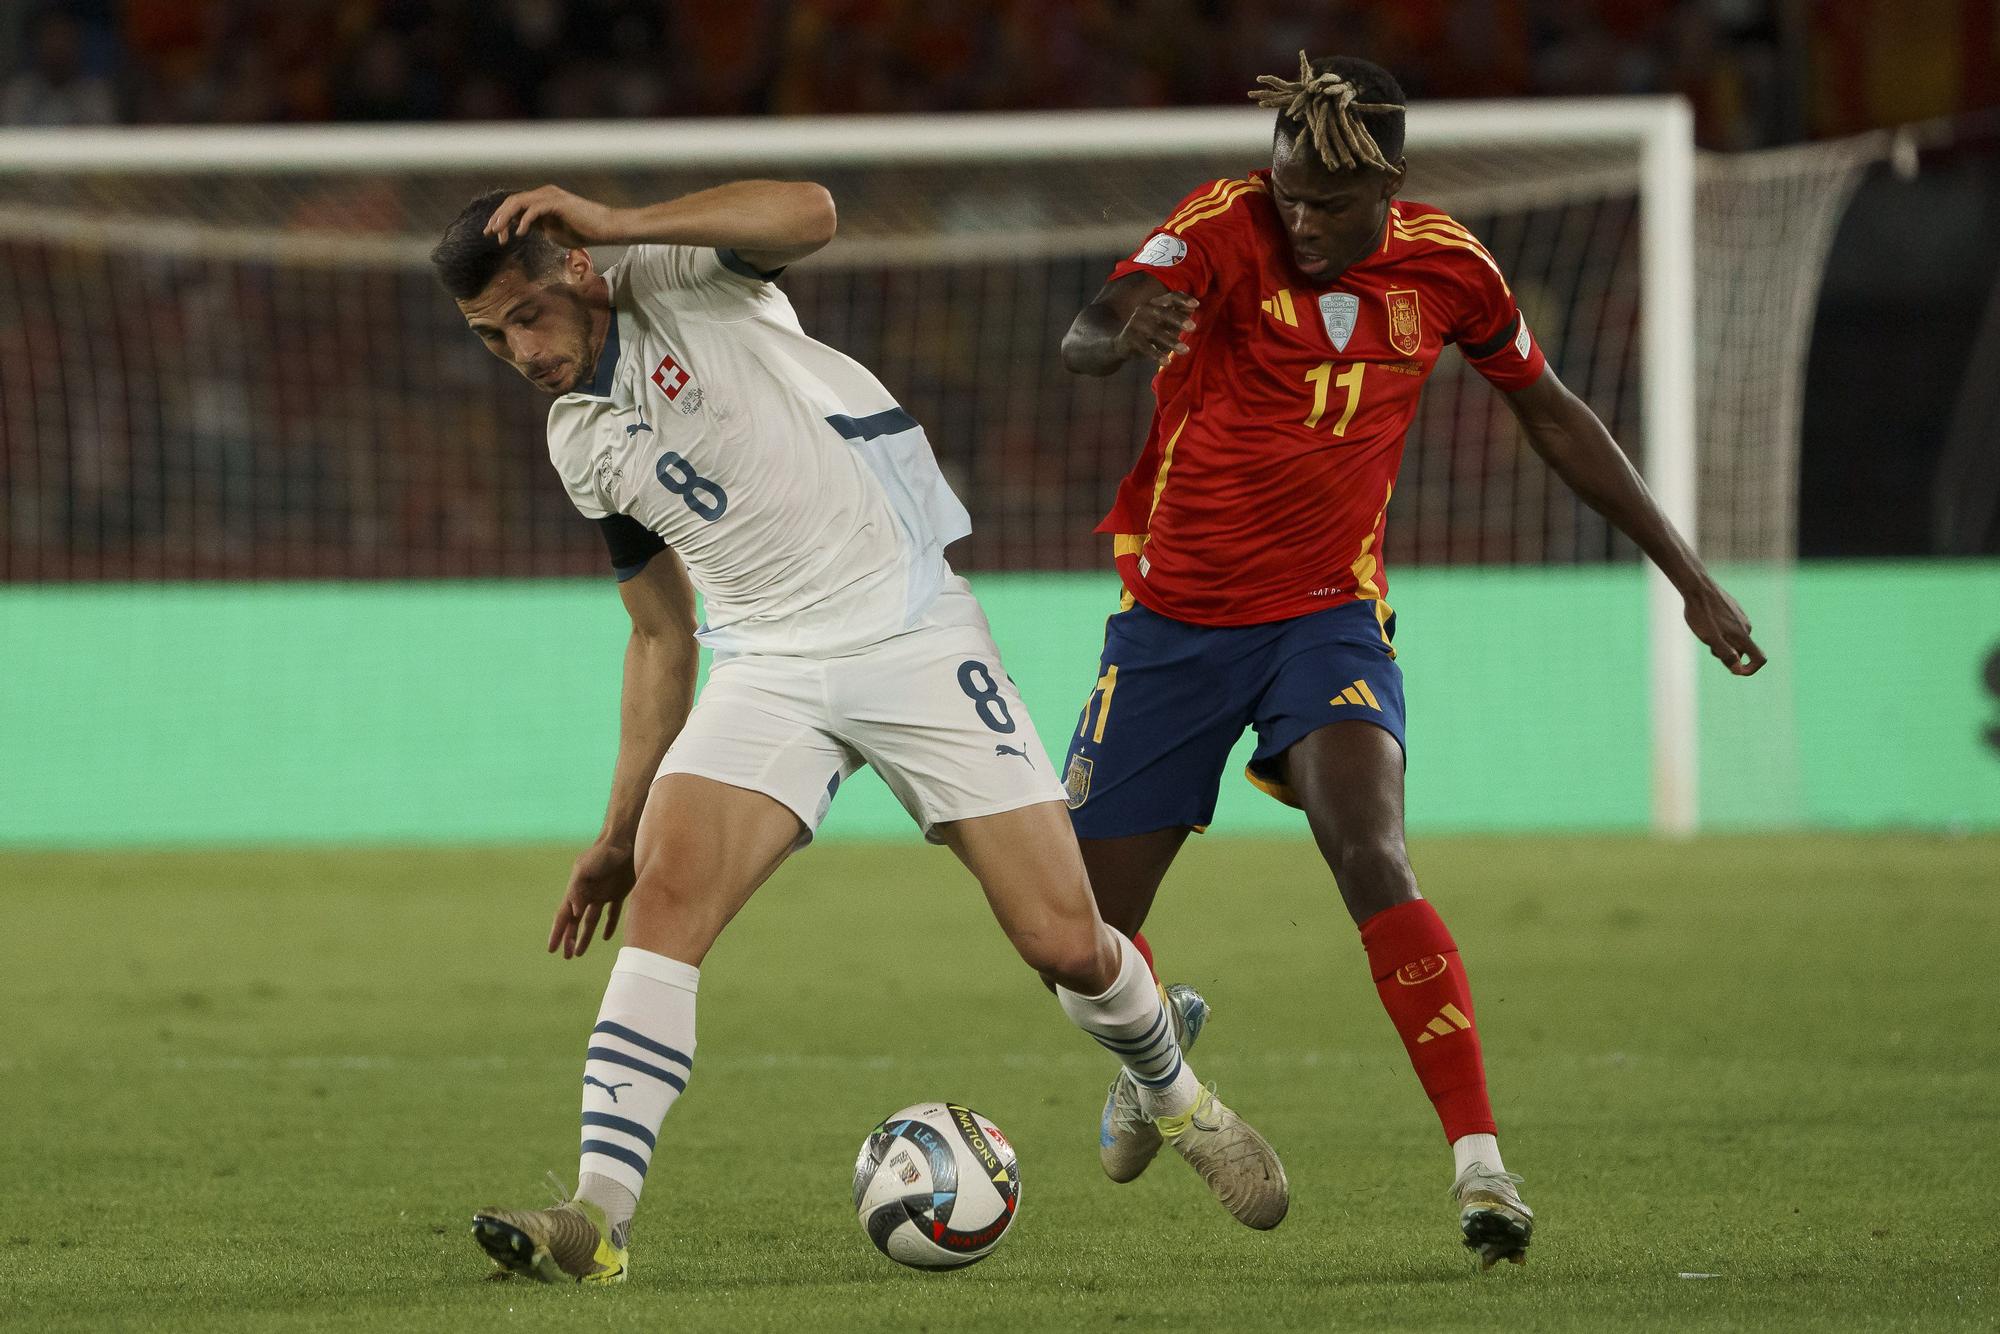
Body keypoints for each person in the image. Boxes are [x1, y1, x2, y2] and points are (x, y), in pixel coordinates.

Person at [427, 179, 1288, 1283]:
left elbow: (812, 213)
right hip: (766, 666)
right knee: (663, 903)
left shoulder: (677, 279)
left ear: (578, 272)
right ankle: (597, 1216)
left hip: (911, 631)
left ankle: (1178, 1098)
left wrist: (617, 223)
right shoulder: (577, 442)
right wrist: (614, 829)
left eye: (524, 316)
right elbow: (657, 635)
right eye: (488, 335)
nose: (515, 349)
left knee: (1064, 939)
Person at [1058, 53, 1768, 1269]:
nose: (1299, 220)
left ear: (1386, 183)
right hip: (1171, 624)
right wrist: (1122, 331)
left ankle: (1480, 1165)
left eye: (1325, 203)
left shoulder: (1448, 267)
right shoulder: (1221, 226)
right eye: (1286, 195)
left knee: (1370, 848)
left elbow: (1548, 410)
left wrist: (1687, 574)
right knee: (1073, 931)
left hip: (1327, 615)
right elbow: (1088, 326)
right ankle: (1148, 1055)